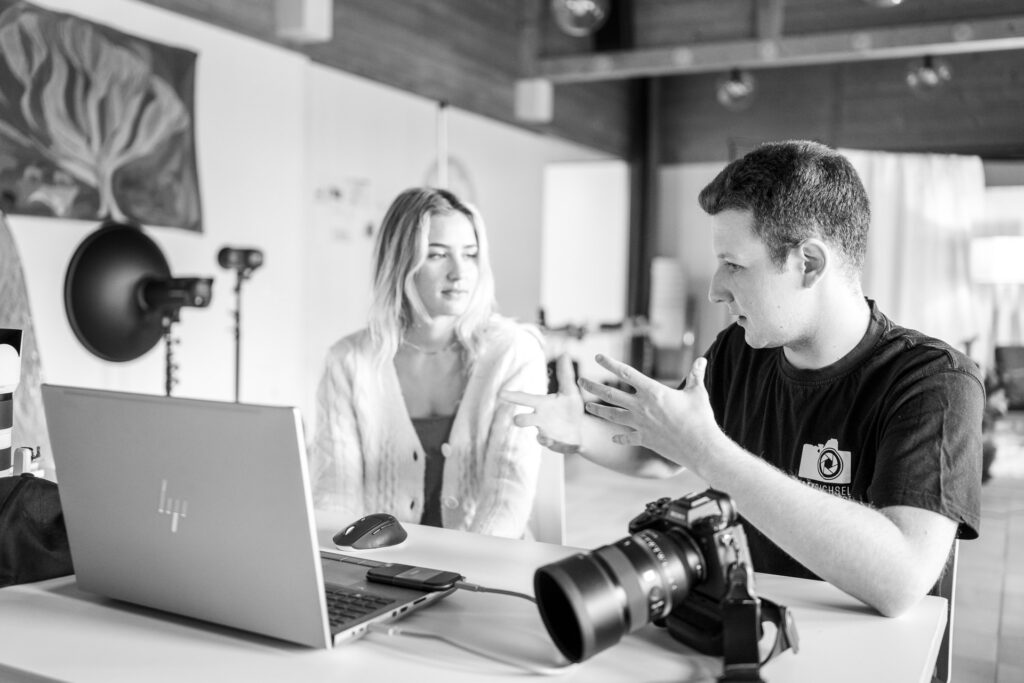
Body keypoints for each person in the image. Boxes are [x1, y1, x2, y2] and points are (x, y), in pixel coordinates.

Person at [504, 140, 983, 617]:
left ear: (809, 264)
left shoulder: (935, 381)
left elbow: (900, 580)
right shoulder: (742, 349)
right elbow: (658, 449)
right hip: (746, 635)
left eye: (733, 264)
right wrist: (580, 430)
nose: (715, 289)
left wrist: (708, 452)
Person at [310, 187, 548, 538]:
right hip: (381, 568)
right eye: (437, 255)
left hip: (488, 565)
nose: (460, 272)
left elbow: (506, 495)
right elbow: (335, 492)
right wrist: (343, 567)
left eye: (470, 255)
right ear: (400, 262)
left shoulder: (513, 353)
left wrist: (469, 578)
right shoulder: (348, 361)